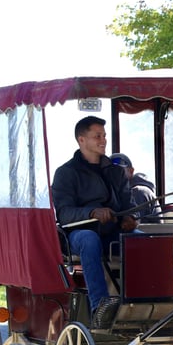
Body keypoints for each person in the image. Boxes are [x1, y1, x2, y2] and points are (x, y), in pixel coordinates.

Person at [52, 116, 138, 330]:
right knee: (89, 239)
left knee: (143, 240)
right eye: (97, 136)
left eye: (104, 136)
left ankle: (146, 299)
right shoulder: (66, 173)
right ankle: (99, 308)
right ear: (81, 140)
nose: (103, 140)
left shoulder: (115, 172)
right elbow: (64, 213)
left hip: (112, 232)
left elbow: (130, 205)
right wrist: (92, 212)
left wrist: (130, 219)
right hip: (79, 235)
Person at [111, 153, 160, 219]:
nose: (114, 175)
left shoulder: (138, 192)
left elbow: (131, 221)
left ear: (131, 172)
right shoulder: (116, 194)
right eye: (110, 172)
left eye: (119, 171)